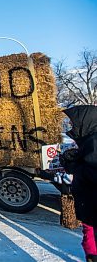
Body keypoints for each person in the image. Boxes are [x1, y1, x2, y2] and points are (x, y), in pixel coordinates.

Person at [60, 105, 97, 262]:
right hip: (91, 207)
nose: (72, 126)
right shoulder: (89, 140)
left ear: (85, 122)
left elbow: (92, 173)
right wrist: (71, 161)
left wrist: (74, 164)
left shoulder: (94, 142)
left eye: (74, 123)